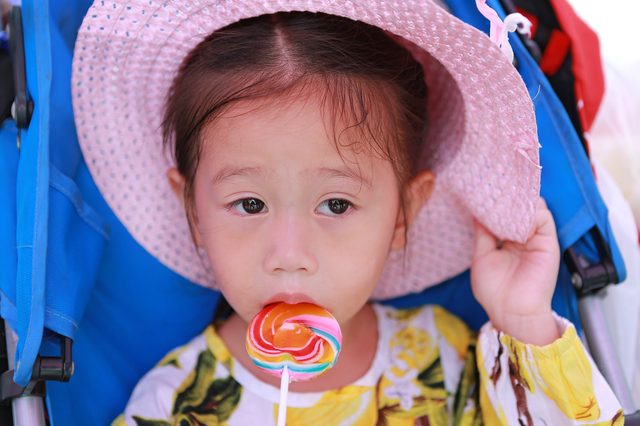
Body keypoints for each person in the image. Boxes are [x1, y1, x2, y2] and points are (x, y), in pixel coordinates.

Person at [71, 1, 623, 424]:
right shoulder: (174, 402)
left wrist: (524, 320)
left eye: (336, 203)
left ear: (404, 212)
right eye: (249, 204)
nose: (289, 255)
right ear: (193, 210)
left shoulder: (444, 356)